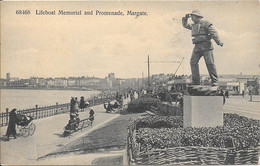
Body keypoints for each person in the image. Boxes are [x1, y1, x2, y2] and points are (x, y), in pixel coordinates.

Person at [182, 10, 223, 86]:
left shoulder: (206, 23)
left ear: (197, 16)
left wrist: (219, 42)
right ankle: (196, 81)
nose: (191, 18)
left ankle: (214, 81)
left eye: (192, 16)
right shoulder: (194, 25)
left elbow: (213, 32)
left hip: (206, 46)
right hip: (197, 47)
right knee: (193, 62)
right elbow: (185, 25)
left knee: (209, 63)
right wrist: (185, 18)